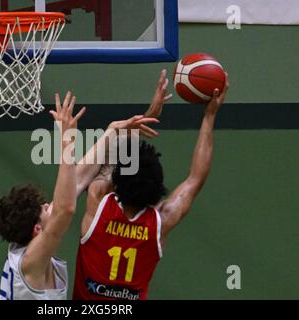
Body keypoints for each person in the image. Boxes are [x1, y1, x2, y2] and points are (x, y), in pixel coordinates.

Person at [73, 71, 230, 300]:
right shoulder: (160, 222)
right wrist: (210, 115)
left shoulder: (98, 202)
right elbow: (196, 178)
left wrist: (148, 115)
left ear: (117, 184)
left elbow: (99, 163)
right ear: (158, 188)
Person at [0, 92, 159, 300]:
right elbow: (65, 209)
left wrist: (112, 131)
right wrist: (66, 141)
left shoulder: (33, 242)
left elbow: (79, 179)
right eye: (44, 209)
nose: (48, 205)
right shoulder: (30, 262)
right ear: (37, 229)